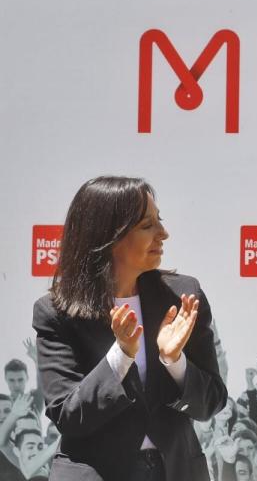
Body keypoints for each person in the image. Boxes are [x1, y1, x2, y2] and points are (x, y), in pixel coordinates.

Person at [32, 176, 227, 481]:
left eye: (158, 221)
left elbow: (211, 402)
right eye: (148, 226)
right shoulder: (55, 313)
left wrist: (175, 361)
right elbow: (68, 415)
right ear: (108, 236)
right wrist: (121, 356)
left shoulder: (183, 296)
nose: (163, 234)